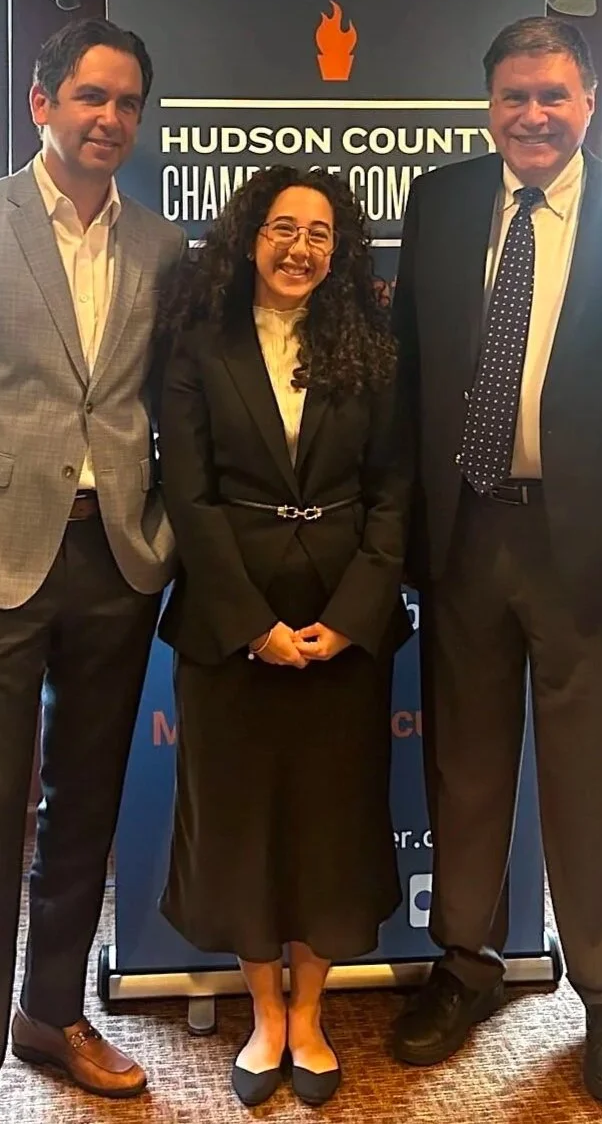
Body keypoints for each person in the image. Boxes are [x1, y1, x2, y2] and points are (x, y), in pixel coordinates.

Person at [389, 15, 602, 1102]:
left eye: (553, 96)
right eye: (514, 96)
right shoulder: (437, 204)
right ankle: (463, 966)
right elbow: (405, 382)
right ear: (488, 104)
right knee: (464, 773)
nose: (532, 115)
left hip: (592, 549)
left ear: (588, 104)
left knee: (583, 785)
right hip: (465, 535)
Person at [0, 17, 186, 1124]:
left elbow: (167, 409)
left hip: (113, 558)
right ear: (41, 104)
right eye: (88, 97)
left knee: (85, 801)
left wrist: (161, 540)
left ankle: (50, 1011)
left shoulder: (160, 247)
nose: (107, 118)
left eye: (125, 102)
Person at [156, 166, 409, 1109]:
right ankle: (264, 1014)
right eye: (280, 228)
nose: (299, 248)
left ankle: (312, 1014)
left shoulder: (367, 346)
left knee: (329, 826)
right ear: (247, 238)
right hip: (232, 627)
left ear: (339, 250)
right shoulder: (197, 342)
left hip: (344, 622)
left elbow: (393, 495)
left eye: (319, 233)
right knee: (241, 826)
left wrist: (349, 619)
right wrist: (251, 624)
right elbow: (188, 494)